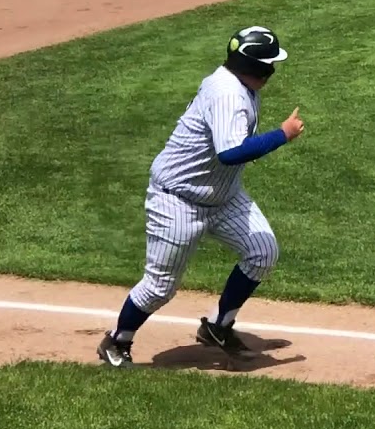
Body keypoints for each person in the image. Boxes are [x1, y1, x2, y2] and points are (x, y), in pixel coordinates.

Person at [96, 26, 306, 368]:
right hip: (178, 200)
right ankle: (117, 341)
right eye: (269, 65)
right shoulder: (228, 94)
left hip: (222, 197)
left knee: (263, 252)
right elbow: (231, 153)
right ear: (255, 67)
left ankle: (218, 327)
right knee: (160, 287)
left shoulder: (240, 85)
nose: (272, 72)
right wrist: (282, 135)